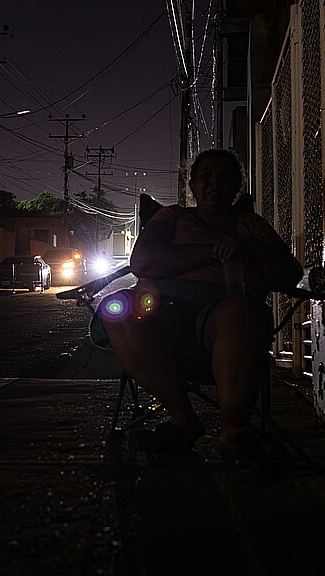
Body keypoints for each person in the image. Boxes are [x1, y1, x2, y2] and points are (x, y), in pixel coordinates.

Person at [98, 149, 303, 465]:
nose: (214, 184)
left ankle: (234, 432)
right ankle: (183, 418)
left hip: (223, 315)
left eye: (224, 177)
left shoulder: (250, 226)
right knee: (120, 306)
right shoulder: (174, 217)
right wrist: (212, 251)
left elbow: (290, 275)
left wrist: (247, 250)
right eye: (205, 176)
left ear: (236, 187)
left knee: (240, 312)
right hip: (163, 316)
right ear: (192, 184)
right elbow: (142, 261)